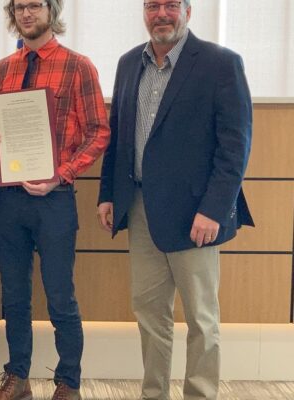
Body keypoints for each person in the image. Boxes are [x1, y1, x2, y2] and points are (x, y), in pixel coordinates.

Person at [97, 1, 254, 399]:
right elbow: (118, 137)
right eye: (153, 5)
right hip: (139, 207)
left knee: (202, 319)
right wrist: (108, 195)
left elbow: (234, 147)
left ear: (188, 11)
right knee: (150, 317)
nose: (161, 13)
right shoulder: (129, 62)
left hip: (195, 215)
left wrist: (214, 209)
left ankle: (200, 393)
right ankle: (154, 394)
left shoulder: (221, 63)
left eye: (170, 5)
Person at [0, 1, 110, 399]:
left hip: (55, 199)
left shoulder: (79, 65)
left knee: (60, 296)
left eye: (35, 5)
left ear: (50, 11)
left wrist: (63, 175)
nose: (27, 13)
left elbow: (98, 132)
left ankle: (68, 381)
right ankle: (17, 377)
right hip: (9, 198)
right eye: (20, 7)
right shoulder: (5, 68)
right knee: (14, 296)